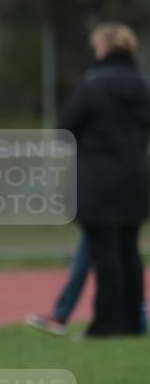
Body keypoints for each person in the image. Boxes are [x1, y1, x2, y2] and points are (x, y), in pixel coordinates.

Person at [58, 23, 149, 337]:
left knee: (105, 253)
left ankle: (107, 324)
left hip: (97, 179)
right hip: (136, 177)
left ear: (102, 49)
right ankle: (133, 322)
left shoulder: (91, 87)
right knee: (129, 251)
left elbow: (66, 127)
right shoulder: (143, 86)